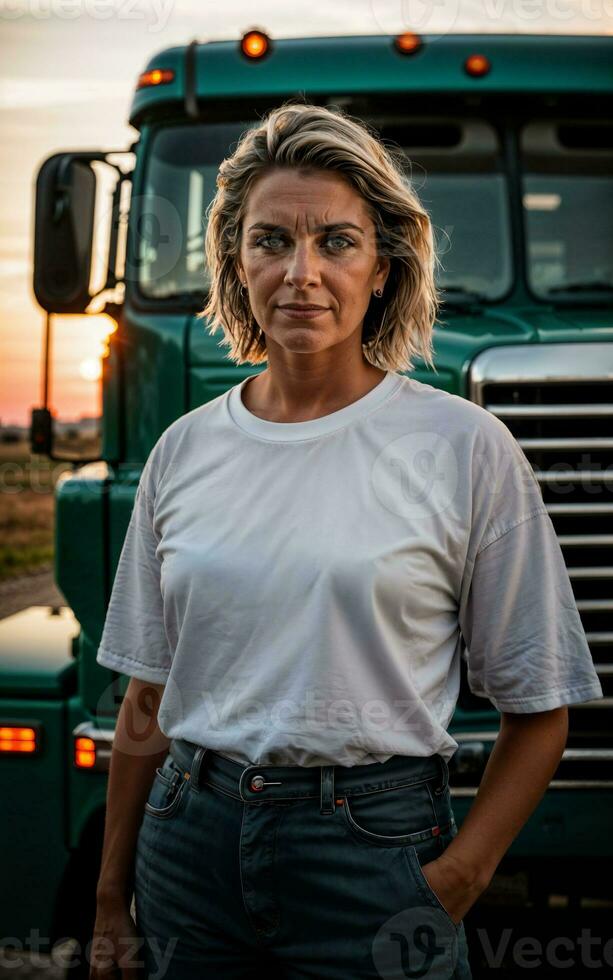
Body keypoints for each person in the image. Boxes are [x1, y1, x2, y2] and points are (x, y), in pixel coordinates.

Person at [89, 100, 603, 979]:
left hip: (371, 856)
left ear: (382, 267)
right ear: (234, 262)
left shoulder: (463, 448)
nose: (300, 273)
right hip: (188, 849)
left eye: (335, 241)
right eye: (269, 241)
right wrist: (110, 896)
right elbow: (146, 698)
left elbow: (540, 709)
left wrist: (454, 882)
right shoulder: (183, 450)